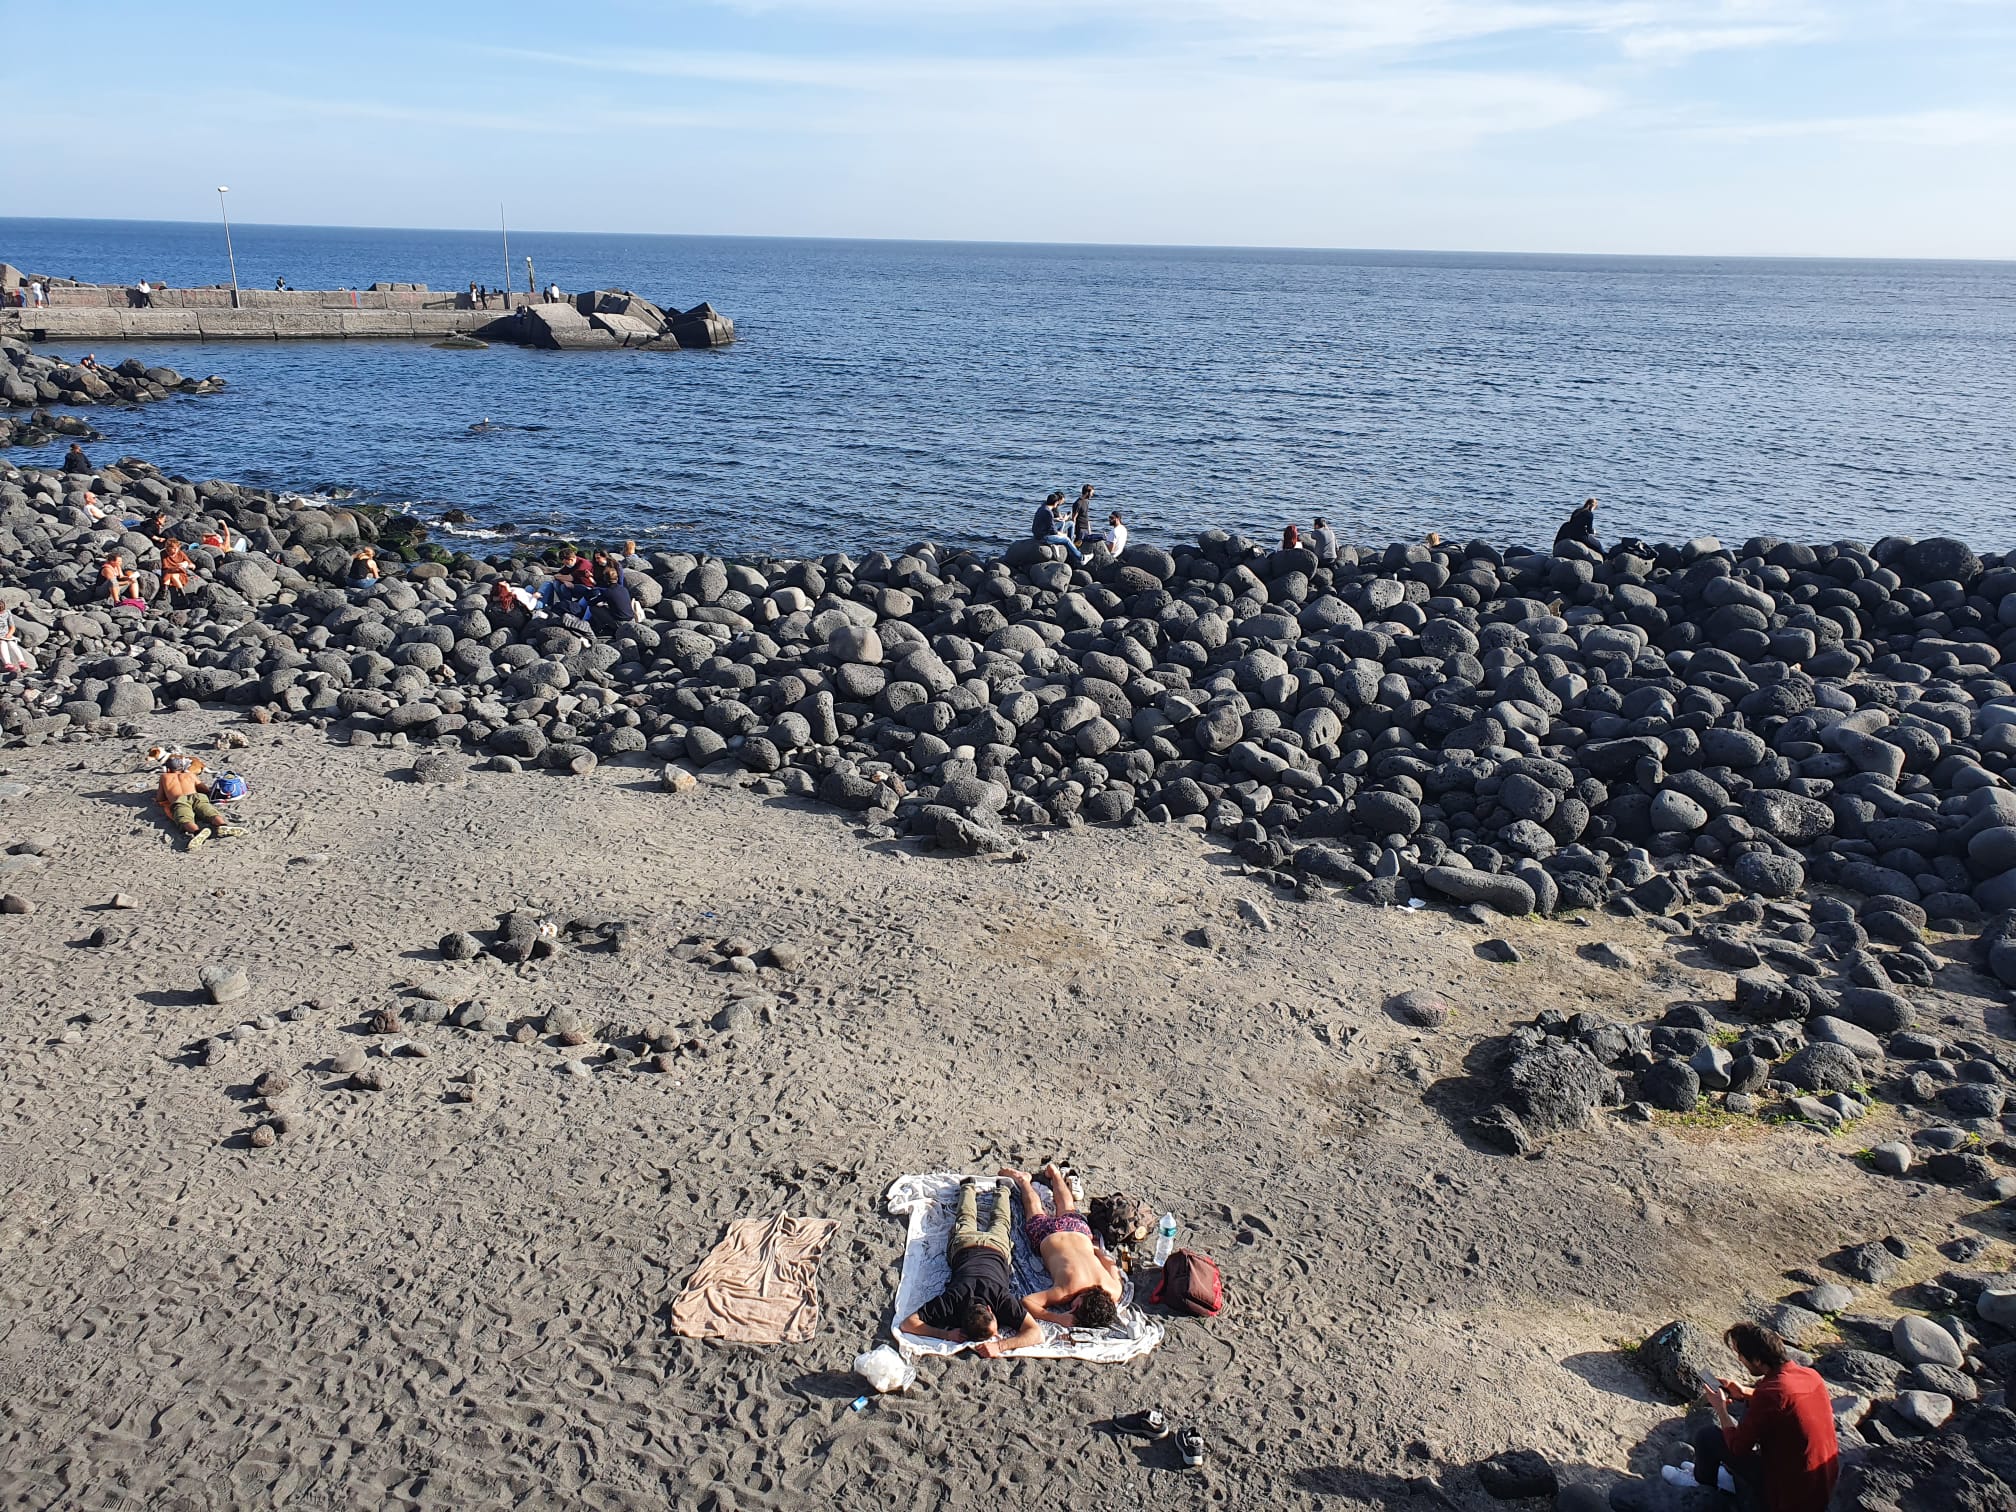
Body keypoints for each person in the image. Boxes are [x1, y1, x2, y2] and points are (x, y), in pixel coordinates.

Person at [1667, 1323, 1838, 1511]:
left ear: (1756, 1360)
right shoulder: (1810, 1375)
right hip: (1821, 1484)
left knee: (1708, 1437)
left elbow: (1738, 1447)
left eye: (1740, 1355)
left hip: (1787, 1496)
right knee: (1750, 1411)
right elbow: (1783, 1401)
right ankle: (1730, 1477)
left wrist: (1721, 1408)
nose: (1739, 1359)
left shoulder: (1770, 1393)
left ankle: (1702, 1484)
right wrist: (1744, 1392)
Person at [898, 1177, 1043, 1358]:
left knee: (1000, 1222)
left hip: (993, 1248)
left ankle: (998, 1189)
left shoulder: (987, 1299)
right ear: (990, 1311)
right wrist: (1000, 1346)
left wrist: (946, 1335)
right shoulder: (954, 1301)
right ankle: (972, 1187)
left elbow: (908, 1323)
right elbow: (1036, 1333)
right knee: (970, 1219)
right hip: (967, 1245)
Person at [1001, 1164, 1122, 1330]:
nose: (1072, 1308)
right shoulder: (1067, 1291)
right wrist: (1056, 1317)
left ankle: (1055, 1174)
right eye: (1075, 1308)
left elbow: (1109, 1262)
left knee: (1067, 1207)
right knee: (1034, 1211)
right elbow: (1027, 1302)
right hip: (1047, 1236)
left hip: (1078, 1231)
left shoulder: (1114, 1290)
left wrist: (1095, 1251)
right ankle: (1024, 1182)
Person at [155, 755, 242, 851]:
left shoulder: (164, 777)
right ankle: (222, 826)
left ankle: (197, 832)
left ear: (168, 769)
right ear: (182, 767)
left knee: (184, 818)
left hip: (180, 800)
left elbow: (160, 798)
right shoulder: (190, 775)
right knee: (209, 812)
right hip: (196, 796)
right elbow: (204, 789)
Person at [1030, 491, 1082, 564]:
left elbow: (1048, 524)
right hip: (1043, 536)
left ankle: (1070, 546)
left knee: (1062, 523)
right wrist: (1061, 535)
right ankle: (1081, 558)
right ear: (1055, 503)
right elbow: (1053, 531)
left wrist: (1055, 519)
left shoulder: (1042, 508)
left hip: (1039, 532)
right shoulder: (1048, 512)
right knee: (1066, 539)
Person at [159, 539, 195, 610]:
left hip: (179, 572)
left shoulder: (180, 553)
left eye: (177, 548)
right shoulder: (163, 553)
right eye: (173, 548)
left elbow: (192, 565)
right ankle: (184, 597)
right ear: (168, 548)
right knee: (170, 573)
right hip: (168, 572)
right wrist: (176, 566)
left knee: (172, 574)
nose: (175, 550)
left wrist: (186, 564)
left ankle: (165, 591)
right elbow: (165, 566)